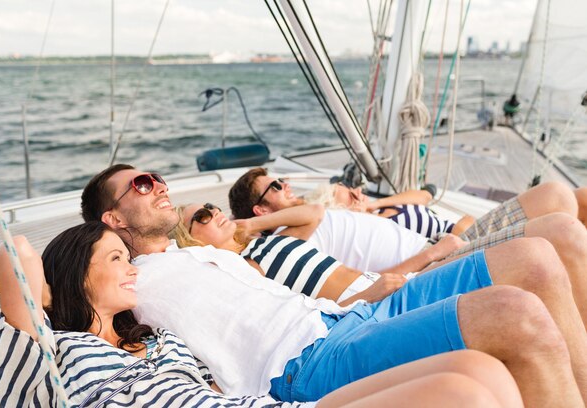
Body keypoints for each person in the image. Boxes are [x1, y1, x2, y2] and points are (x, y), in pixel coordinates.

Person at [80, 164, 587, 406]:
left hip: (342, 317)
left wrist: (374, 291)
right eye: (142, 185)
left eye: (158, 177)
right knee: (515, 315)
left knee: (534, 257)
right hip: (302, 363)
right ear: (112, 217)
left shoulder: (204, 254)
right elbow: (44, 303)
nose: (160, 185)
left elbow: (289, 290)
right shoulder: (122, 279)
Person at [0, 222, 522, 408]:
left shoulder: (159, 339)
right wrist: (47, 297)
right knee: (464, 395)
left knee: (483, 373)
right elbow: (16, 253)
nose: (132, 268)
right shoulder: (55, 352)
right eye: (116, 258)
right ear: (72, 278)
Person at [229, 168, 587, 324]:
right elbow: (365, 285)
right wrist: (432, 254)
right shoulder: (289, 243)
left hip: (443, 243)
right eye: (274, 186)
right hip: (435, 263)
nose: (285, 184)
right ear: (260, 210)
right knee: (563, 232)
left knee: (560, 194)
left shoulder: (315, 214)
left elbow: (317, 208)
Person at [173, 202, 460, 305]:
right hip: (373, 304)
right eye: (201, 215)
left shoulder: (264, 245)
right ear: (190, 240)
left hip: (394, 285)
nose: (213, 211)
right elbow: (299, 315)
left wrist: (252, 223)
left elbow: (314, 213)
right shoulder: (246, 270)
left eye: (211, 205)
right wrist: (365, 299)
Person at [305, 183, 475, 239]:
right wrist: (461, 229)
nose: (358, 190)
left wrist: (375, 204)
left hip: (466, 228)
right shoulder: (381, 229)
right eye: (352, 195)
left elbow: (424, 196)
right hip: (464, 235)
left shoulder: (382, 209)